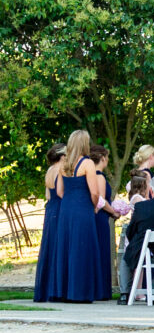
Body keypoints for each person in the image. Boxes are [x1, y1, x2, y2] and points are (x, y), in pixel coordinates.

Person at [52, 130, 106, 303]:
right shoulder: (87, 163)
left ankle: (65, 291)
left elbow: (59, 191)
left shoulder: (64, 163)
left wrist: (70, 200)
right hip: (83, 209)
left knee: (67, 247)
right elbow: (95, 192)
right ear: (84, 144)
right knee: (82, 247)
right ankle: (80, 292)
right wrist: (94, 206)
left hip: (66, 209)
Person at [118, 176, 154, 303]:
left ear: (151, 190)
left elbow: (131, 231)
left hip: (143, 248)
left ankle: (125, 293)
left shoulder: (141, 207)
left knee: (126, 259)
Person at [33, 143, 65, 303]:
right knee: (59, 246)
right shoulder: (61, 169)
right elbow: (60, 192)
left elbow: (47, 195)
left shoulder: (49, 170)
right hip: (60, 207)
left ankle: (45, 289)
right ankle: (56, 288)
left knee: (49, 245)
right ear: (63, 156)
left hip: (50, 207)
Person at [90, 144, 118, 301]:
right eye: (107, 157)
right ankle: (100, 290)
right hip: (100, 216)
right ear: (102, 158)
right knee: (102, 250)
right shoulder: (99, 176)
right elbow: (100, 200)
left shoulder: (90, 175)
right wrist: (113, 211)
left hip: (97, 216)